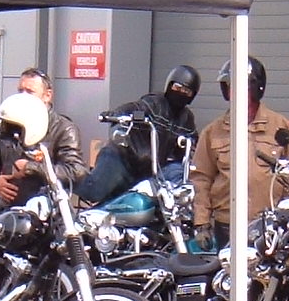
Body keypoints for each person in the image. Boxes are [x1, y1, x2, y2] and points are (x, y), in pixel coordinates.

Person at [192, 57, 289, 249]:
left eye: (241, 86)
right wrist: (202, 223)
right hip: (227, 225)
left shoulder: (279, 126)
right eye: (230, 86)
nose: (234, 92)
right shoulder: (213, 132)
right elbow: (201, 179)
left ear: (256, 88)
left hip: (270, 224)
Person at [76, 64, 201, 205]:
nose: (181, 93)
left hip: (148, 170)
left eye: (186, 91)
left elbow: (193, 141)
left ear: (192, 96)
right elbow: (136, 107)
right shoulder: (154, 103)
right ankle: (65, 178)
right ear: (169, 85)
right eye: (177, 87)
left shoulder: (187, 119)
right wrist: (117, 114)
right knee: (94, 191)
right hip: (123, 158)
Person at [0, 68, 87, 202]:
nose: (23, 96)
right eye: (20, 91)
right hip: (8, 205)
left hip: (48, 206)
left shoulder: (63, 128)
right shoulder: (7, 124)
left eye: (30, 92)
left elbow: (76, 171)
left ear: (47, 95)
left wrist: (31, 168)